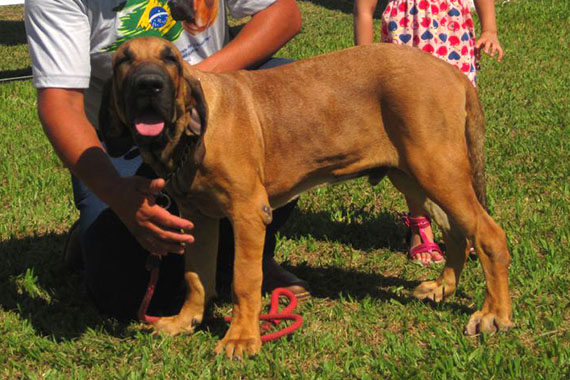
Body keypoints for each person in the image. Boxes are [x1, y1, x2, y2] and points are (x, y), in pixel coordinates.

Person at [24, 0, 309, 320]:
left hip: (214, 97)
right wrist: (115, 193)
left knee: (290, 109)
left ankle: (245, 257)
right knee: (123, 294)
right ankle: (96, 225)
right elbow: (60, 104)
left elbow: (284, 14)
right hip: (123, 136)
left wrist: (190, 87)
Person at [353, 0, 503, 265]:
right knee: (410, 145)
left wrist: (489, 29)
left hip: (451, 34)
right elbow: (364, 9)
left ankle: (464, 222)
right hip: (405, 39)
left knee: (458, 140)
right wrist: (364, 64)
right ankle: (420, 226)